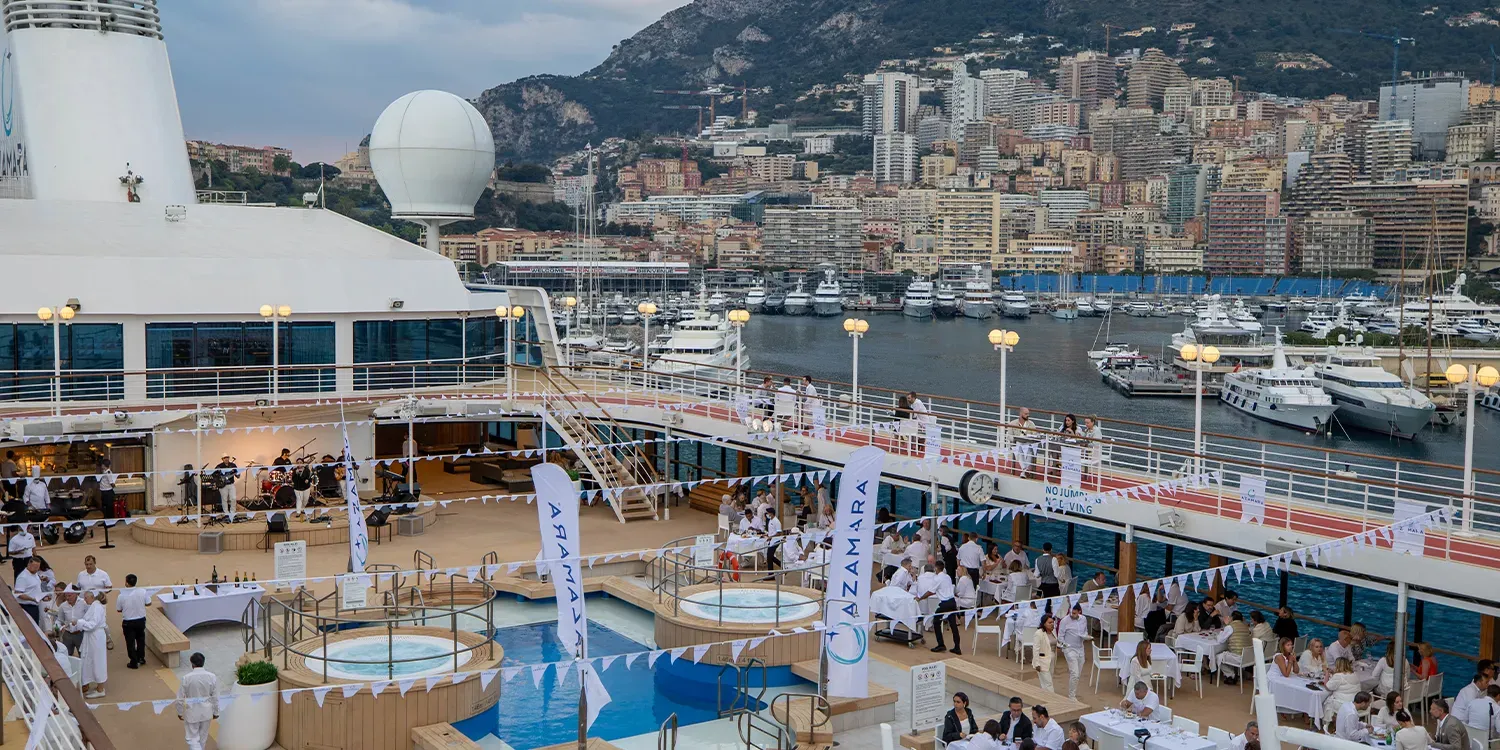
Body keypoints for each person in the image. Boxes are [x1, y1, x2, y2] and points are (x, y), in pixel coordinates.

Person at [176, 652, 221, 750]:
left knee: (192, 738)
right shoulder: (212, 677)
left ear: (192, 664)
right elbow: (216, 697)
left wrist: (179, 712)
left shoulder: (186, 678)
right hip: (207, 713)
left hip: (192, 712)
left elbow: (179, 698)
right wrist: (216, 712)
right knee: (203, 738)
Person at [73, 588, 108, 698]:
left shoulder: (96, 607)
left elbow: (92, 624)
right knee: (91, 660)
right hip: (92, 637)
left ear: (92, 597)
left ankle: (101, 688)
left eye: (86, 598)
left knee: (98, 661)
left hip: (95, 637)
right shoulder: (94, 606)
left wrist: (79, 622)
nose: (85, 600)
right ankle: (95, 686)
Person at [922, 560, 962, 655]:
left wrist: (920, 598)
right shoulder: (947, 577)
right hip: (952, 601)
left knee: (936, 621)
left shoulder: (937, 579)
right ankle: (957, 647)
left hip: (945, 603)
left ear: (936, 568)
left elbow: (930, 591)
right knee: (953, 625)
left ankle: (941, 644)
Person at [116, 573, 150, 669]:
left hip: (128, 622)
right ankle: (141, 658)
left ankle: (134, 661)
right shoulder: (143, 592)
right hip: (140, 620)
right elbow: (149, 603)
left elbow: (118, 609)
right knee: (140, 640)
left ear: (126, 583)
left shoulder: (121, 595)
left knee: (130, 642)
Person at [1057, 604, 1089, 700]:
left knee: (1077, 674)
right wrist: (1065, 648)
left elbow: (1085, 631)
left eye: (1074, 613)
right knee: (1074, 673)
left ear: (1079, 612)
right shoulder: (1065, 621)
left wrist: (1085, 636)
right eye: (1070, 612)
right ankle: (1072, 696)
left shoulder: (1083, 619)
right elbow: (1060, 637)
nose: (1072, 615)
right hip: (1070, 649)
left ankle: (1073, 692)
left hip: (1080, 648)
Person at [1222, 611, 1253, 684]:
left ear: (1231, 618)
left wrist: (1226, 625)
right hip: (1248, 657)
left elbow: (1221, 640)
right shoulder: (1246, 626)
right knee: (1228, 652)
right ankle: (1236, 673)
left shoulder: (1230, 627)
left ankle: (1231, 675)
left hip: (1238, 657)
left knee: (1218, 656)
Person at [14, 557, 45, 622]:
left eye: (38, 567)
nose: (37, 569)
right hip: (26, 606)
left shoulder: (35, 574)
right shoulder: (23, 577)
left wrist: (42, 597)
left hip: (35, 605)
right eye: (35, 567)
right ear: (29, 564)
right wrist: (33, 599)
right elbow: (18, 594)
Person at [1033, 614, 1057, 692]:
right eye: (1049, 623)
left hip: (1051, 660)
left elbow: (1053, 643)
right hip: (1042, 661)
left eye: (1053, 622)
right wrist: (1037, 664)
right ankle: (1053, 700)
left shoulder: (1053, 632)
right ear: (1044, 623)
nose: (1052, 624)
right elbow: (1035, 649)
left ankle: (1045, 699)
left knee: (1046, 683)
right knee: (1048, 684)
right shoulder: (1039, 633)